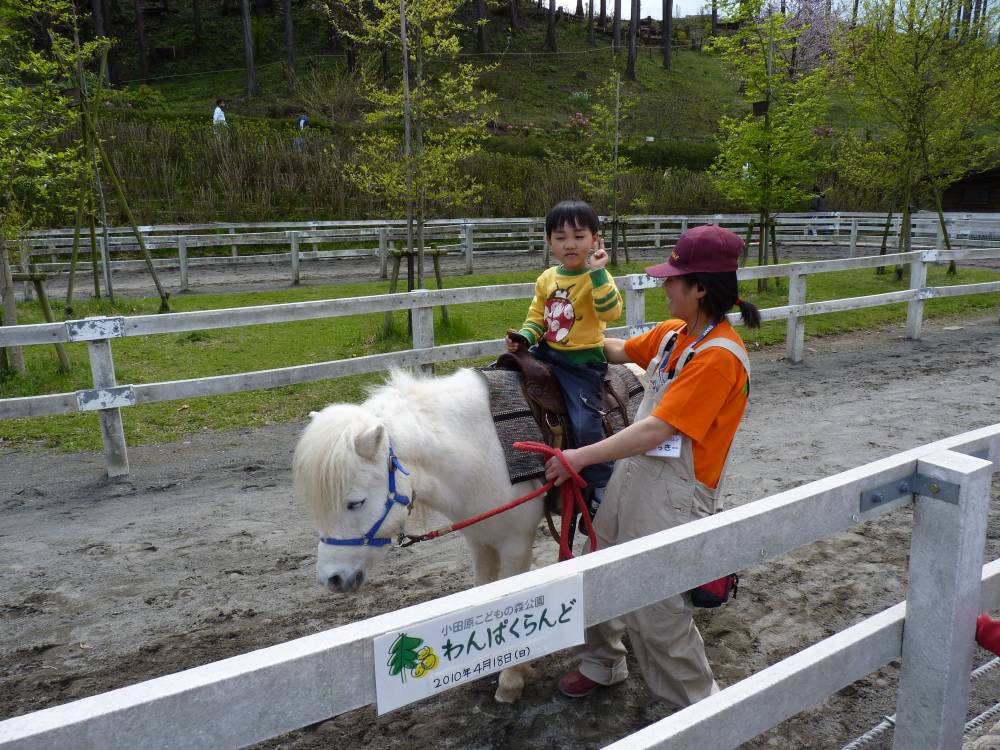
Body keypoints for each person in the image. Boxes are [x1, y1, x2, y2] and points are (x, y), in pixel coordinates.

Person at [545, 223, 762, 709]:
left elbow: (657, 430)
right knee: (596, 568)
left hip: (676, 495)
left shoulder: (719, 358)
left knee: (658, 608)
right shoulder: (673, 336)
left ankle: (698, 711)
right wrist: (564, 336)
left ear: (699, 288)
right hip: (633, 476)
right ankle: (602, 661)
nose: (664, 286)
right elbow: (618, 350)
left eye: (672, 279)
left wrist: (578, 456)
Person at [506, 199, 623, 509]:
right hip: (547, 354)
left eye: (579, 236)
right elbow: (538, 318)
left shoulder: (597, 277)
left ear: (595, 239)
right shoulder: (547, 278)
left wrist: (598, 273)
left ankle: (600, 484)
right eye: (560, 237)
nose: (570, 244)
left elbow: (611, 312)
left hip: (581, 365)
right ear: (549, 241)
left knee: (585, 424)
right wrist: (524, 337)